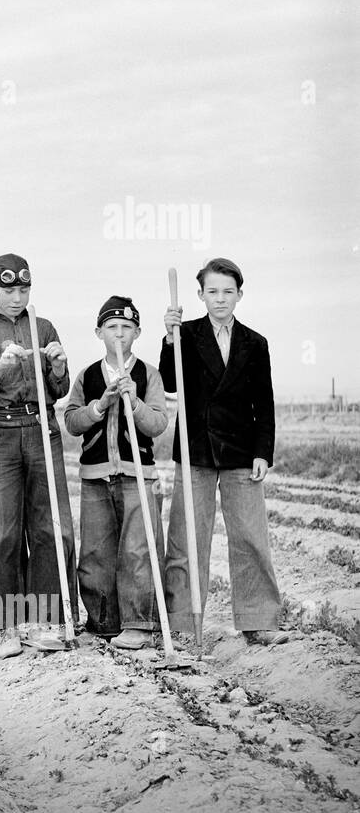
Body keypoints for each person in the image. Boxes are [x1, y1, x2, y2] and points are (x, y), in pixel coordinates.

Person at [160, 257, 288, 646]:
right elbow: (168, 382)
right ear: (200, 295)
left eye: (227, 292)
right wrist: (170, 339)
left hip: (241, 452)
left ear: (240, 295)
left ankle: (259, 620)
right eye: (212, 292)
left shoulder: (255, 343)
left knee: (250, 536)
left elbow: (263, 405)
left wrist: (263, 452)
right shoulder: (185, 334)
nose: (220, 299)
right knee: (186, 539)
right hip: (195, 449)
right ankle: (182, 623)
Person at [0, 253, 77, 659]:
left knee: (48, 528)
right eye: (8, 289)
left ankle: (46, 622)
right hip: (1, 433)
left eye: (23, 289)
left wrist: (59, 367)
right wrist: (1, 367)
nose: (16, 297)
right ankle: (8, 626)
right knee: (5, 532)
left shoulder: (41, 327)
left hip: (43, 429)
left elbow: (58, 391)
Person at [64, 297, 169, 651]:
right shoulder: (88, 375)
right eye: (112, 328)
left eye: (127, 328)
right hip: (95, 477)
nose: (119, 334)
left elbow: (157, 424)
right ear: (99, 332)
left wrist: (134, 402)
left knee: (138, 550)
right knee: (95, 552)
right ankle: (103, 622)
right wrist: (100, 405)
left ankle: (140, 623)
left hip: (137, 475)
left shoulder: (148, 374)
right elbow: (71, 422)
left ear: (137, 332)